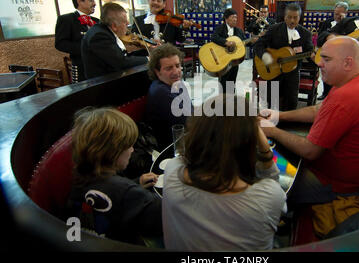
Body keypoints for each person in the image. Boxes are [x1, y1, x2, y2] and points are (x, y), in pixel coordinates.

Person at [259, 36, 359, 211]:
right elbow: (318, 110)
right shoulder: (354, 83)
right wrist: (279, 115)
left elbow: (310, 150)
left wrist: (272, 131)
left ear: (347, 63)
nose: (319, 63)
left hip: (336, 185)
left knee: (255, 176)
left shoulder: (349, 96)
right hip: (339, 175)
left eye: (326, 59)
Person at [162, 94, 286, 251]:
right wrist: (266, 152)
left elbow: (186, 156)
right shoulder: (266, 197)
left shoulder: (172, 171)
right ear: (250, 141)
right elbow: (276, 193)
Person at [65, 107, 162, 245]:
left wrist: (136, 182)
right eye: (129, 145)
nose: (132, 150)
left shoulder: (80, 180)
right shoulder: (128, 192)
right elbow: (164, 220)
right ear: (113, 152)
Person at [253, 3, 314, 111]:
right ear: (284, 16)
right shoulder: (274, 29)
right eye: (289, 17)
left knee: (291, 102)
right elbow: (259, 44)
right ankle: (273, 122)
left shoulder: (305, 34)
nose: (292, 21)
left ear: (299, 18)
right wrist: (264, 55)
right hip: (273, 71)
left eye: (295, 18)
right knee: (272, 101)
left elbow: (310, 52)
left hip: (293, 73)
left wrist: (313, 57)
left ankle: (288, 125)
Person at [81, 2, 149, 79]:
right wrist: (148, 59)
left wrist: (147, 51)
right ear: (114, 26)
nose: (128, 23)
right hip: (104, 85)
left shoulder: (104, 31)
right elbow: (121, 62)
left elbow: (122, 55)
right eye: (125, 21)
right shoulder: (99, 36)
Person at [146, 43, 192, 151]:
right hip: (173, 149)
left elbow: (191, 111)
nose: (176, 72)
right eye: (169, 68)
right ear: (157, 72)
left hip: (185, 139)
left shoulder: (176, 84)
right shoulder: (160, 92)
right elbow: (189, 122)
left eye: (177, 65)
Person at [55, 0, 99, 82]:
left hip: (99, 68)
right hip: (81, 69)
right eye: (90, 0)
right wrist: (85, 49)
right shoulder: (67, 19)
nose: (94, 4)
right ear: (79, 2)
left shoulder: (97, 21)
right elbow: (60, 43)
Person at [317, 1, 349, 100]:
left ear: (346, 13)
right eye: (335, 14)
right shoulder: (327, 23)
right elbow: (320, 37)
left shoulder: (349, 24)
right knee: (326, 74)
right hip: (328, 54)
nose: (337, 16)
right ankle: (325, 93)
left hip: (342, 56)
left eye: (340, 14)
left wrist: (344, 22)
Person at [211, 8, 247, 93]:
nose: (235, 20)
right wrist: (225, 42)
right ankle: (222, 101)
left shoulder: (239, 31)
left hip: (234, 61)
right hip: (223, 60)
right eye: (233, 17)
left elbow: (244, 41)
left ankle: (231, 101)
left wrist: (252, 41)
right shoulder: (220, 28)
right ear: (226, 19)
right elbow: (214, 37)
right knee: (223, 82)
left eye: (236, 18)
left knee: (232, 82)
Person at [246, 5, 276, 81]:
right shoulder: (254, 20)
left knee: (268, 66)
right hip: (257, 47)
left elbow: (275, 31)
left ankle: (266, 81)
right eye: (261, 12)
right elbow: (249, 29)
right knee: (255, 67)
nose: (263, 14)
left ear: (268, 13)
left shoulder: (272, 21)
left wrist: (267, 25)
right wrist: (255, 23)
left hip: (268, 47)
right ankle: (254, 83)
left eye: (265, 12)